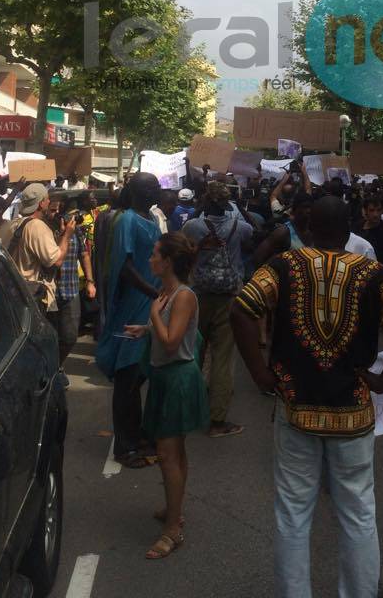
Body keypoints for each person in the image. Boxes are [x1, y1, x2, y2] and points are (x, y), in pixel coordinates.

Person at [230, 196, 383, 598]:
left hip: (295, 406)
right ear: (350, 228)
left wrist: (259, 372)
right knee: (358, 514)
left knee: (293, 514)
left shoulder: (286, 266)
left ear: (309, 227)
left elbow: (242, 309)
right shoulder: (371, 273)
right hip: (353, 412)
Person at [124, 232, 209, 559]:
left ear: (169, 261)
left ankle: (173, 530)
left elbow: (173, 341)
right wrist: (145, 330)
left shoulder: (183, 295)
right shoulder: (168, 291)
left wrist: (154, 317)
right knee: (174, 451)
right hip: (166, 377)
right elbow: (174, 332)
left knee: (168, 453)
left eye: (155, 254)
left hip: (177, 379)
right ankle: (174, 510)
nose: (150, 259)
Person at [96, 172, 163, 468]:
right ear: (136, 191)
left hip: (150, 306)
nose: (156, 191)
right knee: (128, 379)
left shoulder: (149, 218)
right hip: (132, 307)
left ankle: (137, 436)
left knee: (138, 377)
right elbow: (123, 265)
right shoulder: (127, 221)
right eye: (150, 187)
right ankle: (124, 447)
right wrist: (152, 292)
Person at [182, 181, 254, 437]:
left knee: (193, 354)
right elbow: (254, 234)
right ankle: (217, 421)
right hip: (229, 298)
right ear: (227, 203)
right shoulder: (240, 227)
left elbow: (183, 250)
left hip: (199, 296)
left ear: (205, 201)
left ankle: (188, 412)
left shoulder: (193, 226)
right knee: (223, 358)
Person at [4, 183, 76, 311]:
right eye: (47, 199)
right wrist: (67, 236)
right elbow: (57, 261)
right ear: (41, 203)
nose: (49, 201)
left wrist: (60, 237)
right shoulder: (37, 226)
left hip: (15, 290)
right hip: (31, 294)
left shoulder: (14, 224)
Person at [52, 204, 95, 383]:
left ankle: (57, 364)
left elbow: (84, 255)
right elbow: (53, 260)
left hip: (71, 290)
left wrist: (90, 281)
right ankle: (54, 371)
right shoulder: (49, 234)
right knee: (52, 335)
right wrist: (63, 235)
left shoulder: (77, 233)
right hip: (51, 294)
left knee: (69, 336)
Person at [357, 197, 383, 276]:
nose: (375, 214)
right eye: (372, 210)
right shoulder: (357, 227)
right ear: (366, 211)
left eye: (378, 210)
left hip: (382, 274)